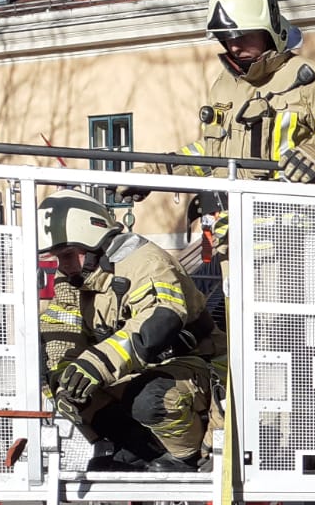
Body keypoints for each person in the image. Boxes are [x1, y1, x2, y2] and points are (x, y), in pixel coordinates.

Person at [121, 0, 315, 221]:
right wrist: (153, 172)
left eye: (244, 35)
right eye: (227, 38)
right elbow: (212, 154)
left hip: (294, 236)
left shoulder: (309, 78)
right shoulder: (225, 85)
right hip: (230, 236)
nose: (234, 46)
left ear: (269, 29)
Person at [38, 189, 223, 471]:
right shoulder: (76, 277)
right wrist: (64, 374)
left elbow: (159, 322)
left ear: (92, 240)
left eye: (68, 255)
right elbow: (60, 327)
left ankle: (185, 458)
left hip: (195, 367)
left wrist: (96, 364)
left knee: (151, 398)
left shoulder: (144, 262)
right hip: (136, 371)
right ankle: (137, 451)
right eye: (57, 257)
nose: (62, 266)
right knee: (65, 384)